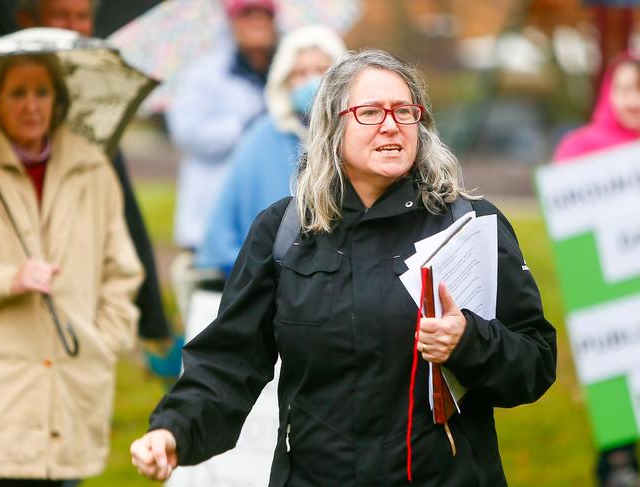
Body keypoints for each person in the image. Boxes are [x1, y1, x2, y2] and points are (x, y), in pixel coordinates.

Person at [130, 49, 557, 485]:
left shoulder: (469, 225)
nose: (391, 125)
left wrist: (469, 342)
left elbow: (536, 362)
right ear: (333, 126)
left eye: (404, 111)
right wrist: (174, 430)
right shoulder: (284, 232)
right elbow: (229, 360)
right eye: (370, 112)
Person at [0, 52, 142, 485]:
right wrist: (8, 279)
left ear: (58, 99)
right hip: (0, 394)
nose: (31, 105)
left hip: (73, 385)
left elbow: (122, 272)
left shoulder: (93, 168)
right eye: (17, 93)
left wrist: (105, 341)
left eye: (42, 91)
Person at [17, 0, 174, 343]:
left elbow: (124, 219)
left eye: (83, 17)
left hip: (78, 295)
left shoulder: (94, 113)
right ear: (27, 20)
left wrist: (141, 320)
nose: (73, 27)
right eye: (60, 16)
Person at [194, 24, 346, 275]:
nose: (311, 81)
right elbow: (222, 233)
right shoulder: (259, 139)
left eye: (321, 70)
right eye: (299, 73)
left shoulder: (356, 137)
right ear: (283, 80)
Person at [554, 52, 640, 487]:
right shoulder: (579, 148)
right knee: (615, 380)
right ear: (611, 91)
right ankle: (618, 462)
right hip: (603, 290)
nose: (635, 100)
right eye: (627, 89)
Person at [166, 0, 278, 317]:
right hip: (211, 227)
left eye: (263, 15)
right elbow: (185, 130)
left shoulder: (285, 72)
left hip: (267, 224)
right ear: (231, 21)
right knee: (215, 321)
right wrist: (245, 128)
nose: (255, 22)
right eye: (246, 14)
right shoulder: (204, 73)